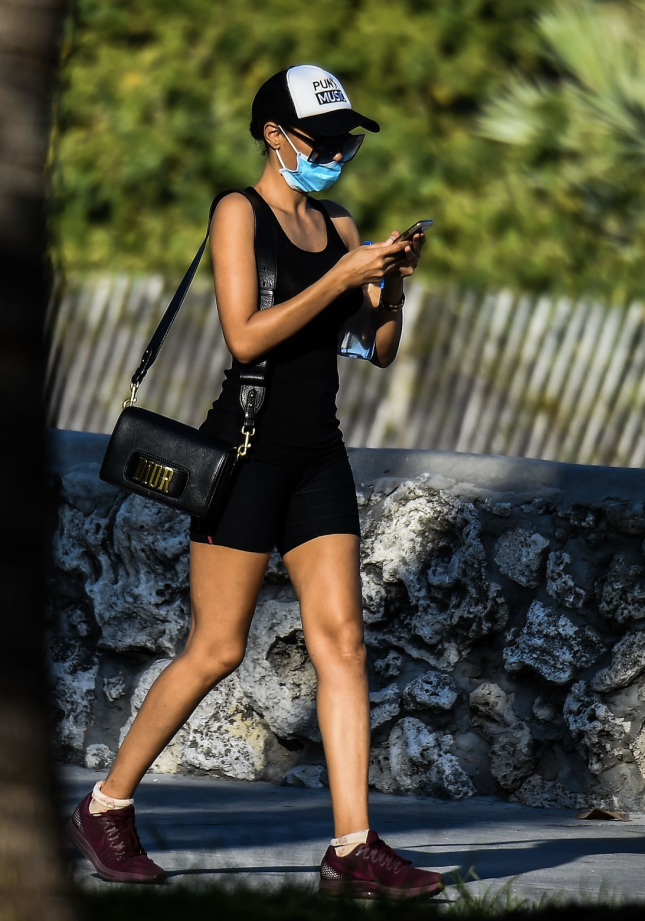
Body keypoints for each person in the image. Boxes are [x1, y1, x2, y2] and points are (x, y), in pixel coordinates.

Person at [66, 65, 443, 900]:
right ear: (276, 135)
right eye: (324, 138)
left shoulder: (341, 223)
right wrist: (341, 280)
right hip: (243, 451)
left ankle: (353, 846)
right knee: (217, 646)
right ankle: (105, 805)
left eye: (348, 139)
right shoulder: (239, 211)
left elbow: (373, 351)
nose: (339, 152)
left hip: (319, 454)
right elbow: (245, 337)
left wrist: (389, 290)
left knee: (343, 640)